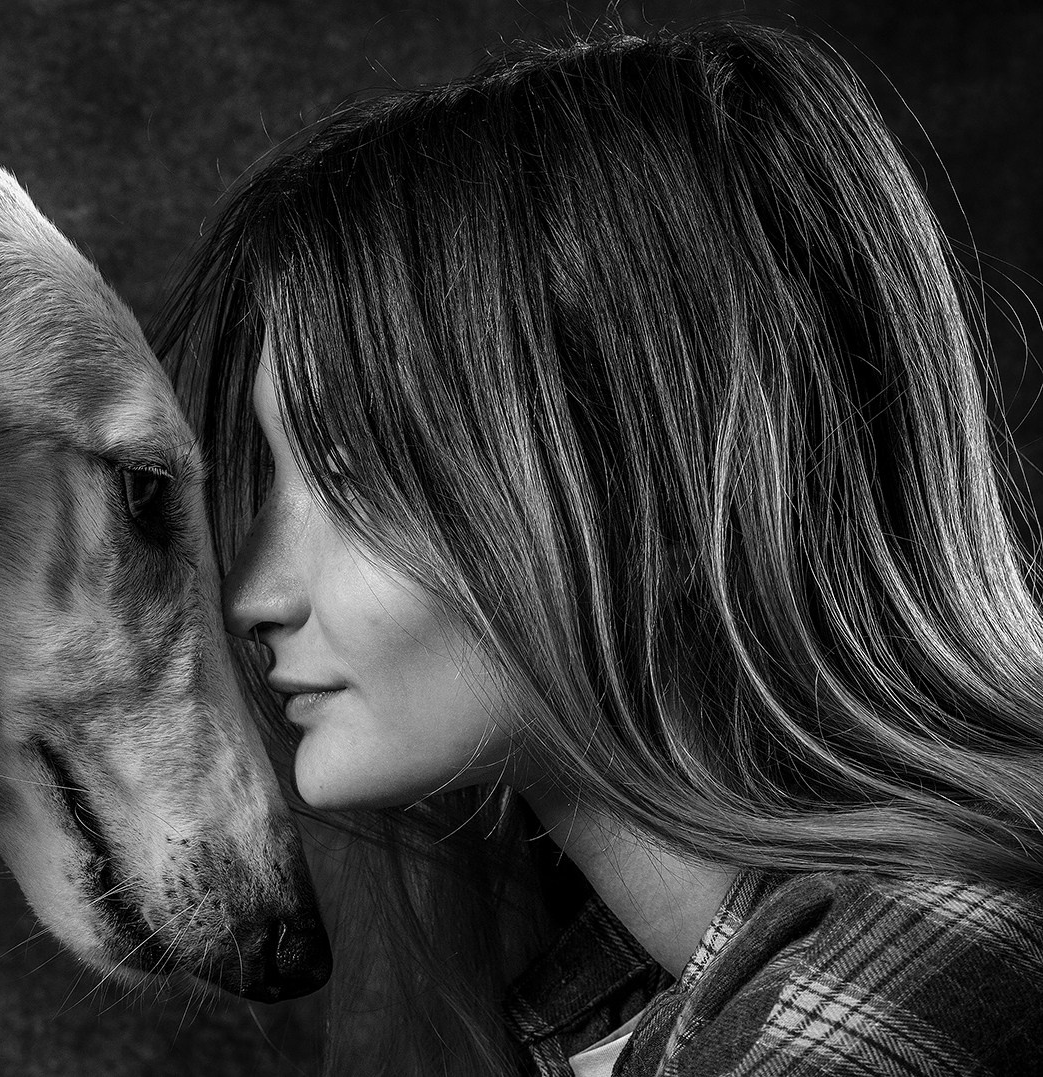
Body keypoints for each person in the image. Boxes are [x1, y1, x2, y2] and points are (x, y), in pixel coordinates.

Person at [152, 19, 1043, 1077]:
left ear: (649, 485)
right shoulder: (640, 1002)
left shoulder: (898, 1006)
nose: (250, 593)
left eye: (356, 479)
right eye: (273, 481)